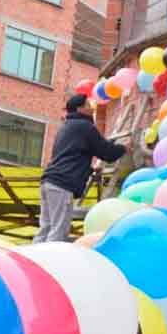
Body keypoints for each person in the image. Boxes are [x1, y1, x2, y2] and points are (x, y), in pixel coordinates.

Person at [35, 94, 126, 243]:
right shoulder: (85, 127)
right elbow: (106, 152)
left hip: (49, 182)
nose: (92, 108)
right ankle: (49, 262)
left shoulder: (66, 126)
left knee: (45, 228)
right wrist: (123, 149)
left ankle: (32, 259)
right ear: (80, 109)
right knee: (58, 231)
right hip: (62, 185)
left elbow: (71, 155)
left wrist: (88, 170)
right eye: (88, 105)